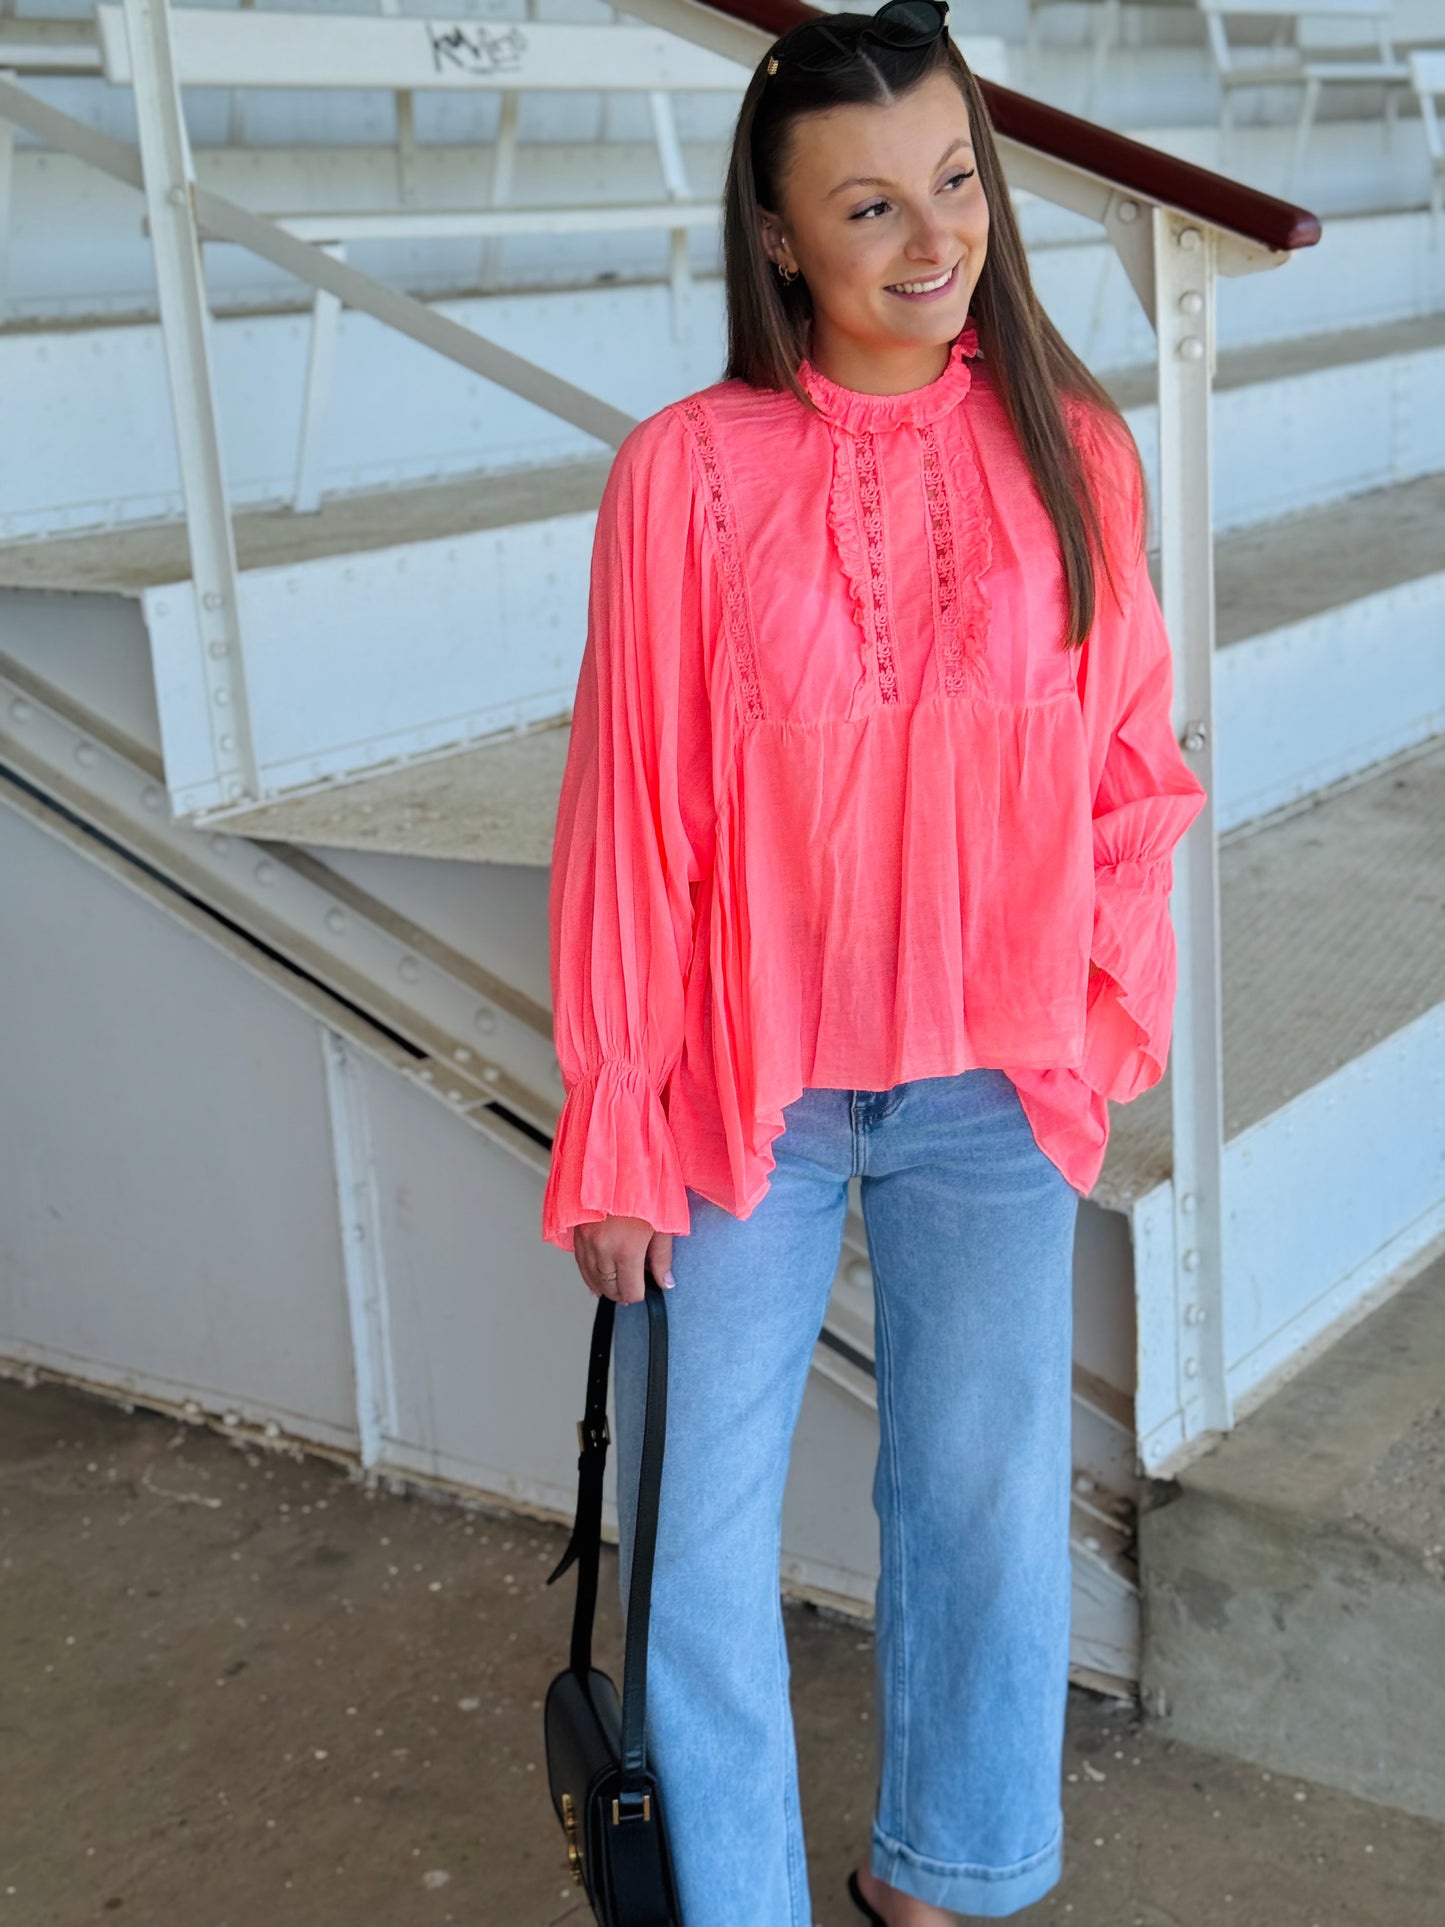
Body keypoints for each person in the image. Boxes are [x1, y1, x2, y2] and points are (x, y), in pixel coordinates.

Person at [540, 4, 1208, 1921]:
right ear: (777, 236)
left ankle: (944, 1878)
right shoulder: (686, 473)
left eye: (955, 179)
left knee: (981, 1509)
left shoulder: (1077, 451)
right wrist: (616, 1109)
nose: (934, 238)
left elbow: (1128, 764)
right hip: (739, 1090)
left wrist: (1097, 1004)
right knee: (696, 1541)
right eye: (868, 205)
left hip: (994, 1082)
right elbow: (631, 811)